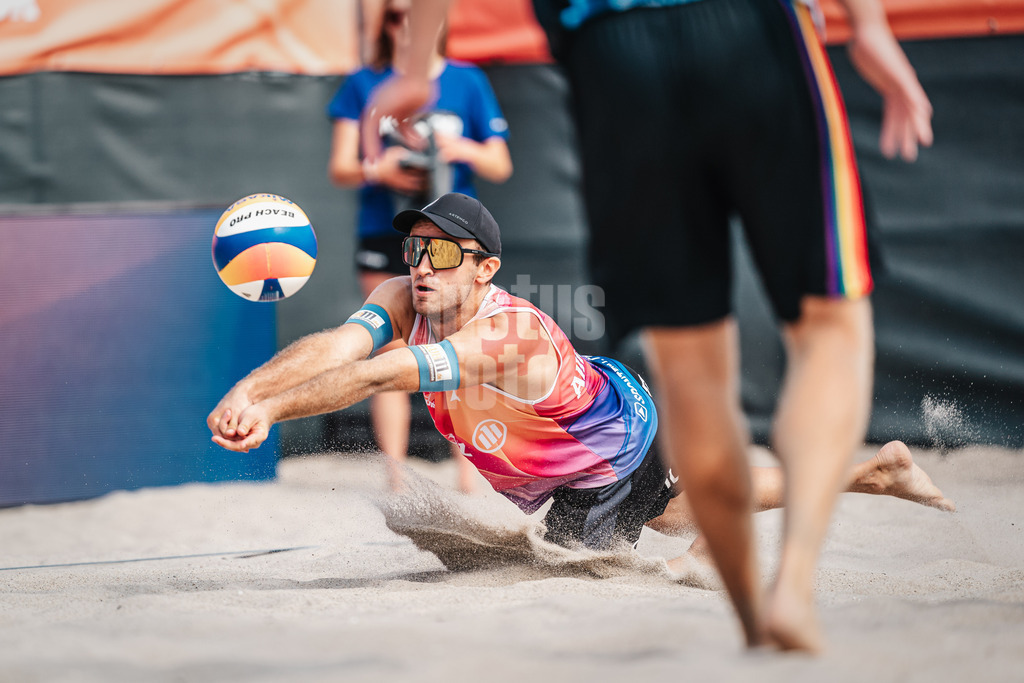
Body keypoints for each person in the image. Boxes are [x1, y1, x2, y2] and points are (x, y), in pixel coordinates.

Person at [358, 0, 934, 654]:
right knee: (830, 328)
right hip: (751, 28)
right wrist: (870, 24)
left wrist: (413, 64)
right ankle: (792, 586)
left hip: (612, 49)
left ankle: (751, 610)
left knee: (689, 372)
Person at [207, 193, 952, 567]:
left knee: (569, 565)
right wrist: (253, 391)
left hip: (602, 459)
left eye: (441, 253)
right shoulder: (406, 298)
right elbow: (341, 346)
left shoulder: (504, 333)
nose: (418, 266)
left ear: (485, 268)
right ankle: (869, 473)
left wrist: (273, 410)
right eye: (413, 248)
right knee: (678, 509)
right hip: (604, 401)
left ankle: (838, 490)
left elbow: (380, 375)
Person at [327, 0, 513, 492]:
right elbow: (342, 166)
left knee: (461, 347)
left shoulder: (466, 80)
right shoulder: (364, 84)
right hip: (387, 227)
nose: (407, 22)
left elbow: (499, 164)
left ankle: (469, 470)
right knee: (386, 346)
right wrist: (381, 168)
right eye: (394, 13)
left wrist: (458, 149)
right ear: (383, 23)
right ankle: (395, 473)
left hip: (454, 237)